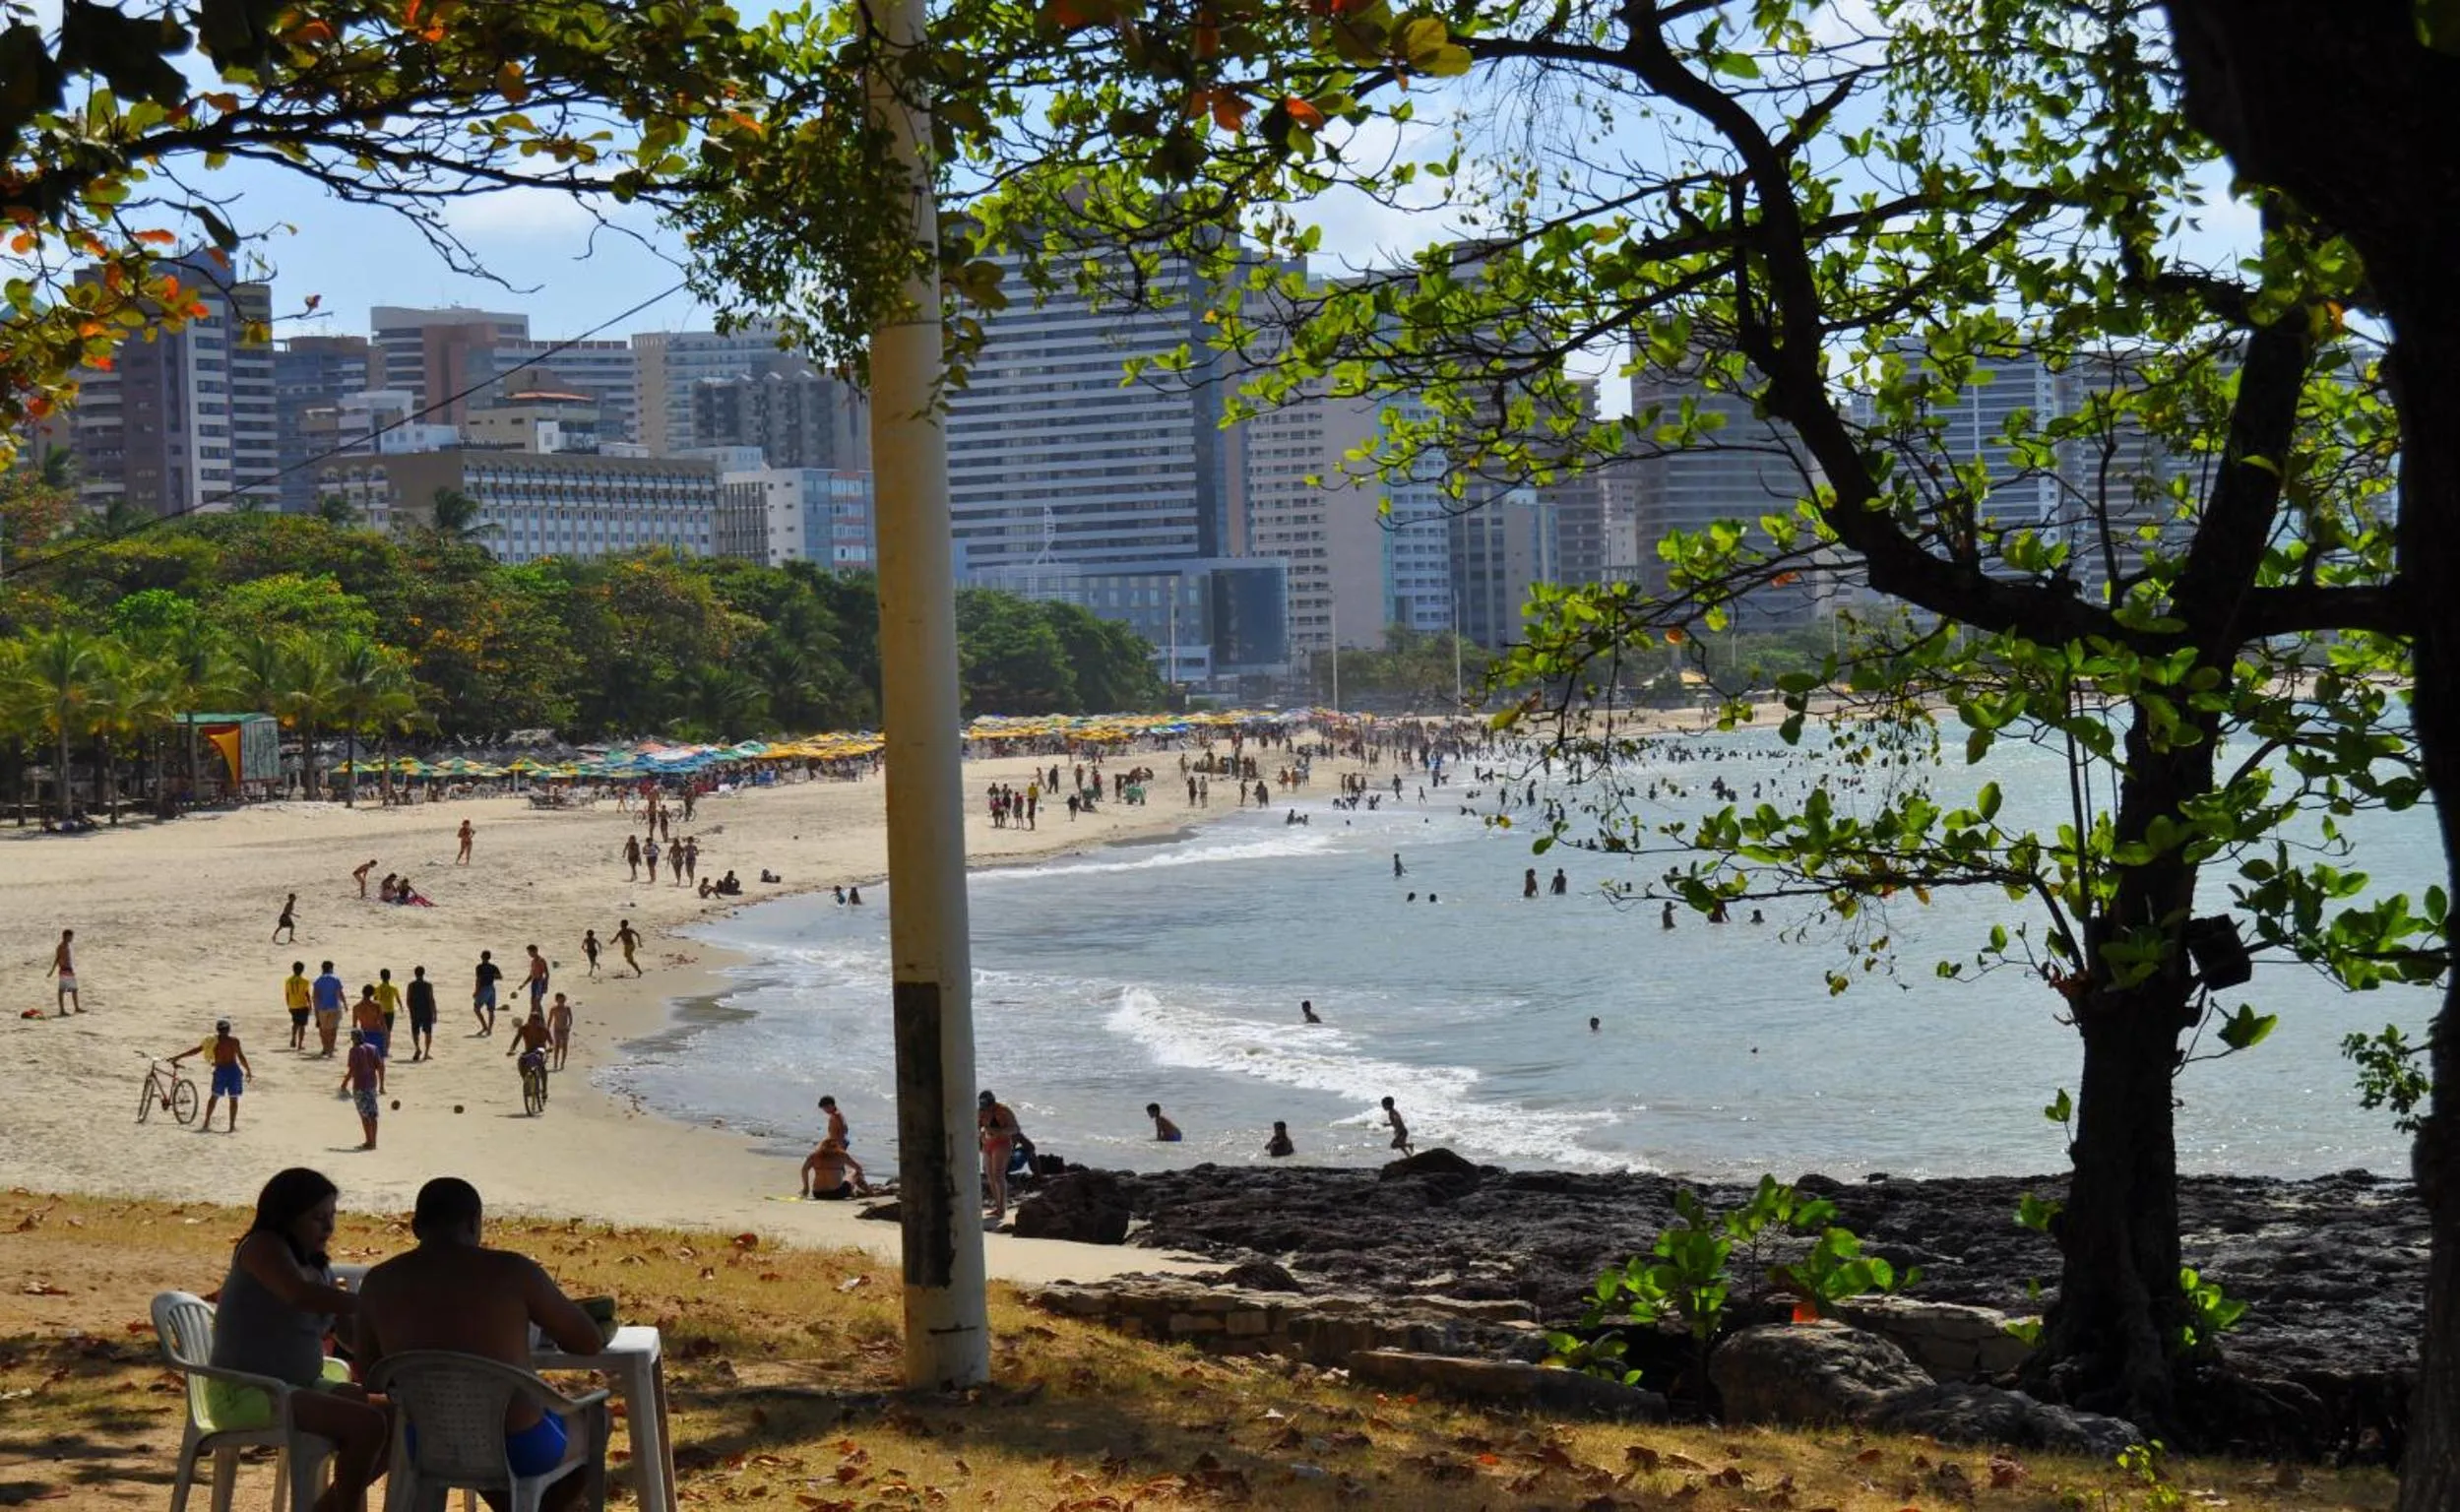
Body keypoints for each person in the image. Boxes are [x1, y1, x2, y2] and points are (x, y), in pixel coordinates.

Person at [353, 1178, 603, 1506]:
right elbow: (587, 1342)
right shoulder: (512, 1271)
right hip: (521, 1446)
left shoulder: (377, 1282)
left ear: (415, 1227)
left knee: (483, 1453)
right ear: (474, 1222)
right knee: (598, 1418)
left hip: (427, 1443)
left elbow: (371, 1374)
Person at [211, 1169, 387, 1512]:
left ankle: (328, 1507)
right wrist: (372, 1303)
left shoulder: (316, 1264)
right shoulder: (263, 1246)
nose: (329, 1227)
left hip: (300, 1384)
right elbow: (298, 1295)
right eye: (317, 1217)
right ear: (287, 1217)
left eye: (332, 1216)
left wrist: (388, 1352)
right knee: (366, 1425)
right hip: (248, 1391)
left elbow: (345, 1331)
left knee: (395, 1416)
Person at [171, 1019, 252, 1132]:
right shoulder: (234, 1041)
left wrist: (178, 1057)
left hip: (220, 1071)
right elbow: (241, 1057)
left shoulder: (212, 1042)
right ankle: (231, 1126)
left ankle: (206, 1122)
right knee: (233, 1099)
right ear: (229, 1030)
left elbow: (195, 1050)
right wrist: (248, 1070)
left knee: (214, 1098)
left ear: (217, 1030)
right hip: (233, 1071)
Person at [978, 1090, 1021, 1223]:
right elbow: (976, 1127)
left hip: (1002, 1144)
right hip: (987, 1145)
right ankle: (997, 1206)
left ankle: (1002, 1209)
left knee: (998, 1175)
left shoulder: (1003, 1111)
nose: (987, 1110)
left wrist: (999, 1131)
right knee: (989, 1176)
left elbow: (1015, 1129)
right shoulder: (980, 1112)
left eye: (989, 1107)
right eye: (984, 1107)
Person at [340, 1030, 384, 1149]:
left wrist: (344, 1083)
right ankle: (373, 1141)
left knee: (364, 1115)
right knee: (373, 1114)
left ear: (353, 1039)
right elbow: (380, 1067)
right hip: (372, 1085)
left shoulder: (354, 1051)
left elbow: (353, 1070)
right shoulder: (373, 1048)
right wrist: (382, 1085)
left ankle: (369, 1141)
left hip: (360, 1085)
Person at [800, 1138, 871, 1200]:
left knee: (849, 1174)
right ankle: (869, 1192)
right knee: (854, 1172)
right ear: (837, 1146)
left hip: (818, 1193)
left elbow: (804, 1170)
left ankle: (853, 1191)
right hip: (837, 1193)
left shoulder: (814, 1156)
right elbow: (858, 1168)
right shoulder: (841, 1155)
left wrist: (806, 1188)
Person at [505, 1006, 552, 1096]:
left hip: (540, 1050)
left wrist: (550, 1048)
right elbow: (516, 1041)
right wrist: (511, 1050)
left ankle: (544, 1089)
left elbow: (551, 1042)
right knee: (521, 1062)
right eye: (531, 1021)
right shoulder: (523, 1029)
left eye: (535, 1021)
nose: (533, 1024)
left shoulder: (544, 1029)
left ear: (539, 1022)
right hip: (529, 1050)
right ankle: (527, 1082)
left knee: (541, 1066)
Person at [311, 960, 345, 1056]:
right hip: (334, 1007)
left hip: (322, 1008)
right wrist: (345, 1004)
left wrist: (316, 1010)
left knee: (323, 1029)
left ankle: (325, 1048)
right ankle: (330, 1050)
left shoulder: (318, 980)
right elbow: (339, 994)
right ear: (331, 968)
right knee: (333, 1030)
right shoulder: (335, 979)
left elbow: (315, 997)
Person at [405, 966, 437, 1062]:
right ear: (424, 973)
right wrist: (434, 1013)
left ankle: (417, 1048)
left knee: (415, 1032)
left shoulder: (411, 985)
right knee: (428, 1032)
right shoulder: (428, 985)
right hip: (426, 1011)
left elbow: (408, 1000)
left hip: (415, 1011)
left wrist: (411, 1011)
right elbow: (431, 1000)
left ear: (415, 973)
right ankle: (426, 1053)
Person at [351, 984, 388, 1062]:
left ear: (362, 992)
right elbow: (382, 1022)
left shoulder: (356, 1007)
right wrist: (386, 1036)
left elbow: (354, 1026)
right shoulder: (376, 1005)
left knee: (366, 1059)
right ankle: (381, 1074)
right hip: (376, 1033)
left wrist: (354, 1041)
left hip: (364, 1034)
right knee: (379, 1060)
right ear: (373, 994)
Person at [46, 928, 79, 1016]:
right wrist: (52, 971)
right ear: (67, 936)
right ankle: (62, 1010)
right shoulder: (62, 946)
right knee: (62, 990)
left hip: (69, 970)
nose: (72, 938)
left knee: (74, 989)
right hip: (65, 971)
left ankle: (76, 1008)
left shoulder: (68, 945)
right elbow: (57, 958)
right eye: (71, 937)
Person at [472, 949, 502, 1036]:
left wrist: (476, 991)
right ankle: (489, 1029)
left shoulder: (479, 967)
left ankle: (484, 1026)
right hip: (492, 988)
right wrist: (491, 975)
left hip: (483, 988)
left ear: (481, 957)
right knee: (491, 1010)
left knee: (476, 1008)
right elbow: (500, 977)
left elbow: (478, 980)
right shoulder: (493, 967)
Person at [284, 961, 313, 1051]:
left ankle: (293, 1038)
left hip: (293, 1005)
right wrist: (310, 1005)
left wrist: (288, 1005)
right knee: (302, 1025)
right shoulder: (305, 982)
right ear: (302, 970)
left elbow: (287, 994)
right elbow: (307, 994)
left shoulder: (288, 981)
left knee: (295, 1023)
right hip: (302, 1005)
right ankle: (299, 1045)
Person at [546, 992, 574, 1072]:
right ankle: (555, 1063)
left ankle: (562, 1063)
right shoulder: (553, 1009)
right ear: (556, 1000)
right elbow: (550, 1019)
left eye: (563, 999)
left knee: (565, 1046)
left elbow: (571, 1019)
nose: (562, 1001)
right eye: (560, 1000)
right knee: (557, 1047)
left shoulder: (567, 1008)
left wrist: (569, 1026)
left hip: (565, 1030)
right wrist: (547, 1029)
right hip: (557, 1029)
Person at [373, 968, 402, 1043]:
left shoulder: (377, 988)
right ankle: (387, 1046)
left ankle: (382, 1045)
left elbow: (375, 1000)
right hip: (390, 1011)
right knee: (388, 1030)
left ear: (381, 977)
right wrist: (401, 1007)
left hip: (380, 1011)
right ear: (389, 977)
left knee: (381, 1029)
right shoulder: (393, 988)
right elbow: (398, 999)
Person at [523, 944, 549, 1013]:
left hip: (540, 982)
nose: (529, 954)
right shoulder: (533, 962)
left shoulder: (541, 960)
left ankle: (540, 1019)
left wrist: (545, 985)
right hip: (534, 982)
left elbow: (546, 974)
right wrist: (523, 985)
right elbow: (531, 975)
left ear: (536, 951)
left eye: (530, 952)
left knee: (537, 1001)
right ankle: (533, 1018)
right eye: (528, 953)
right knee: (532, 1002)